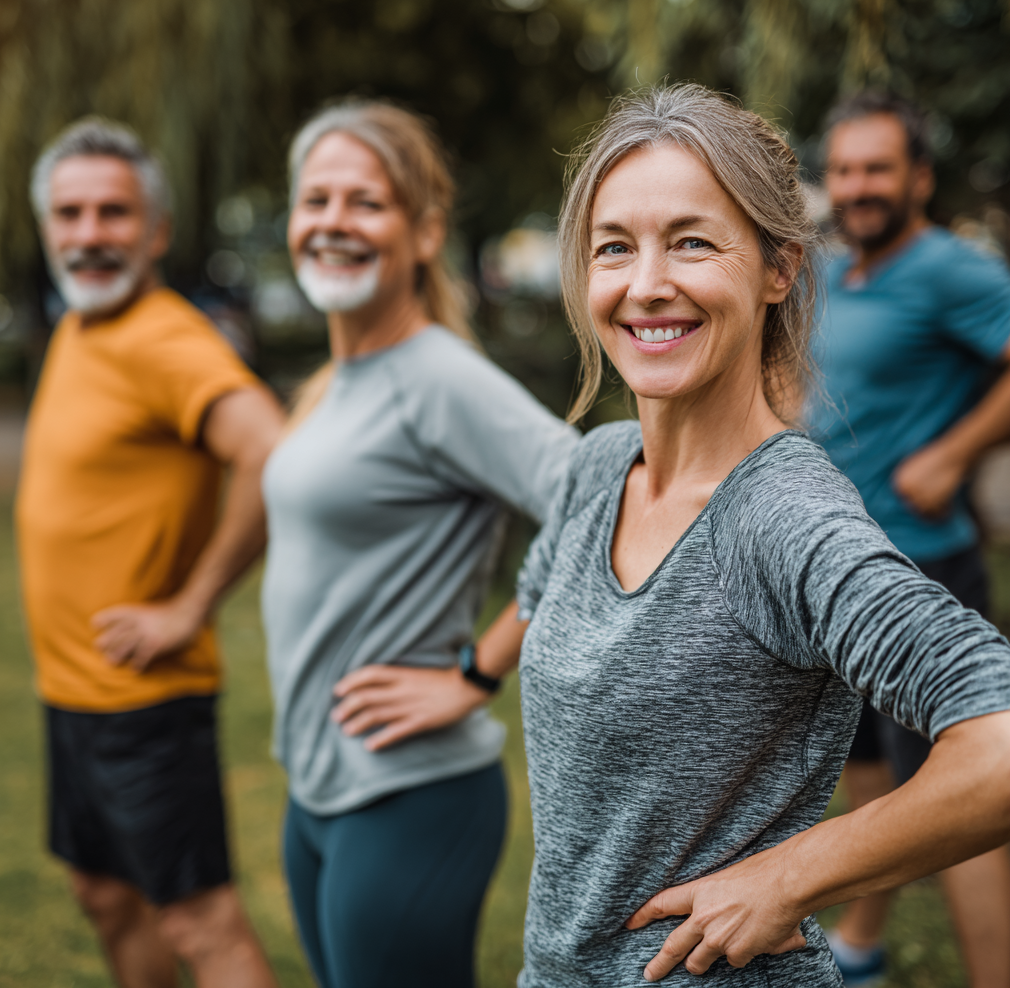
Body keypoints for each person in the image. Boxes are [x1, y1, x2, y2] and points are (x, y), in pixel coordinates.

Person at [386, 81, 1010, 986]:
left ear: (778, 268)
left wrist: (788, 877)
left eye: (690, 241)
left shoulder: (780, 518)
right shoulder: (601, 465)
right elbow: (541, 597)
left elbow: (997, 741)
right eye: (614, 248)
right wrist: (469, 678)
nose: (646, 285)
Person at [260, 99, 579, 988]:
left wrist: (476, 673)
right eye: (315, 199)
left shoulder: (440, 379)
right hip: (319, 786)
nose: (333, 221)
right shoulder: (335, 379)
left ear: (424, 231)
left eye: (365, 202)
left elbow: (600, 505)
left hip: (408, 796)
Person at [16, 118, 284, 988]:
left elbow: (271, 452)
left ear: (158, 231)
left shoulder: (166, 338)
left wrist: (189, 606)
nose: (89, 235)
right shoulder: (79, 326)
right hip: (75, 694)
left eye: (113, 213)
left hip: (145, 703)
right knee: (103, 890)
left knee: (201, 923)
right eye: (71, 214)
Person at [811, 89, 1010, 987]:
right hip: (833, 570)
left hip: (921, 570)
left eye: (877, 168)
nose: (858, 186)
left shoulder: (949, 270)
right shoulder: (831, 272)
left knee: (960, 806)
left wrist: (954, 452)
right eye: (844, 169)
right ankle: (862, 940)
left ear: (918, 177)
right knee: (861, 769)